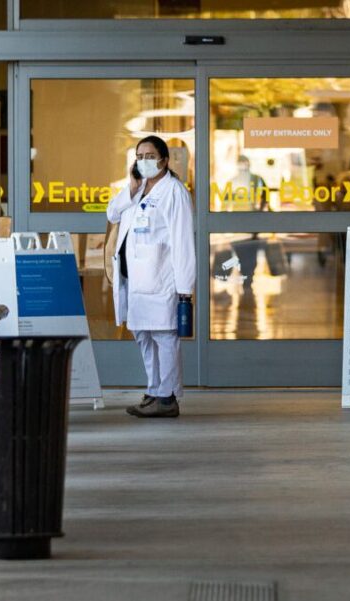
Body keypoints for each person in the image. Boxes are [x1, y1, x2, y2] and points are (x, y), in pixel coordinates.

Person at [107, 135, 195, 418]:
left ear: (165, 160)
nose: (144, 161)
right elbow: (112, 213)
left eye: (149, 156)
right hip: (136, 280)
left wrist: (185, 288)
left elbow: (183, 242)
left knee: (165, 336)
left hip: (161, 279)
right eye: (139, 156)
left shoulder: (174, 192)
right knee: (143, 334)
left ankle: (167, 397)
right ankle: (154, 389)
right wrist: (132, 187)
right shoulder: (139, 187)